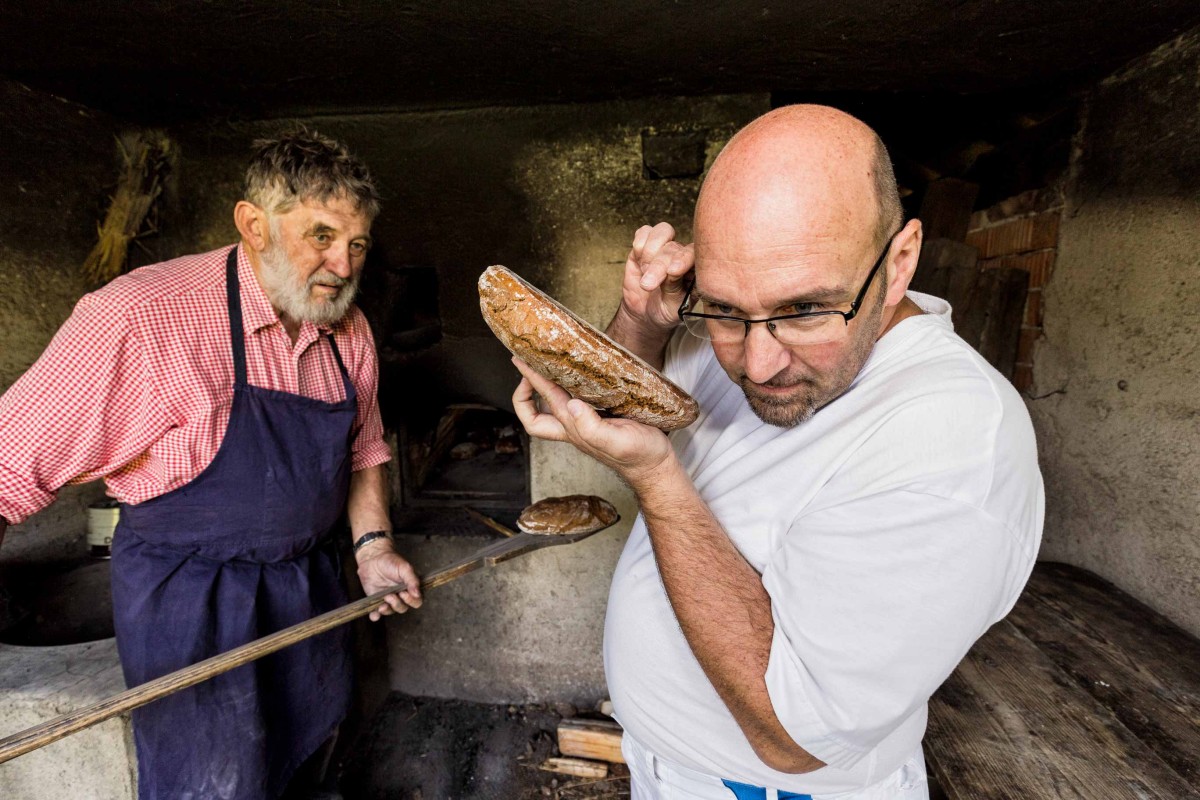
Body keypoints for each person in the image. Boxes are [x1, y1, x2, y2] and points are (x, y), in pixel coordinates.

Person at [511, 105, 1044, 799]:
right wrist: (641, 325)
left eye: (802, 310)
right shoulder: (743, 340)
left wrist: (656, 479)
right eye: (727, 311)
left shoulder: (956, 441)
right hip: (671, 768)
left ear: (901, 260)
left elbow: (795, 736)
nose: (757, 365)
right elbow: (629, 405)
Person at [0, 130, 422, 799]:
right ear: (253, 224)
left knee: (314, 759)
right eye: (320, 235)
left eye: (358, 244)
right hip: (192, 603)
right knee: (213, 783)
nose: (343, 265)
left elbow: (364, 448)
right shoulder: (142, 318)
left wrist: (373, 550)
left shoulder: (349, 329)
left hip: (310, 589)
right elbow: (4, 467)